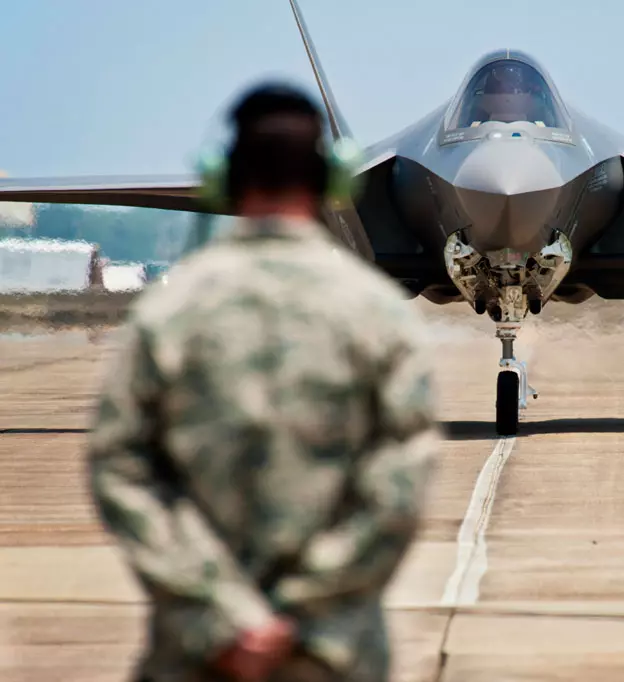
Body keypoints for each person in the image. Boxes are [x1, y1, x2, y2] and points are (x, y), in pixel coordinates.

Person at [86, 82, 439, 682]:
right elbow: (398, 488)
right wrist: (298, 617)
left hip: (198, 658)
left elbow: (121, 468)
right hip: (332, 658)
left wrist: (227, 621)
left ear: (223, 178)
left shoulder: (169, 314)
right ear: (335, 181)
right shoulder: (379, 315)